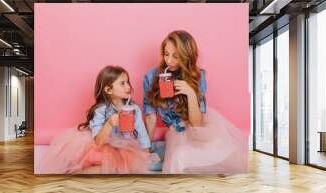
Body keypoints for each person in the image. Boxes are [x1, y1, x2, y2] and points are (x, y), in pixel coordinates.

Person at [143, 30, 248, 174]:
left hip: (199, 128)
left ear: (186, 57)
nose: (169, 61)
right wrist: (146, 148)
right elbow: (150, 117)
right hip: (176, 132)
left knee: (222, 152)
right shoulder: (151, 77)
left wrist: (190, 93)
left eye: (176, 56)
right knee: (177, 157)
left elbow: (197, 124)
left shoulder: (197, 76)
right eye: (166, 54)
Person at [39, 65, 158, 174]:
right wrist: (110, 124)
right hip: (103, 145)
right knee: (109, 166)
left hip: (124, 146)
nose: (128, 87)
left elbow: (141, 133)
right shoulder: (101, 110)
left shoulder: (134, 109)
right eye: (122, 83)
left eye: (127, 82)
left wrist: (146, 153)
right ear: (108, 90)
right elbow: (98, 141)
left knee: (130, 166)